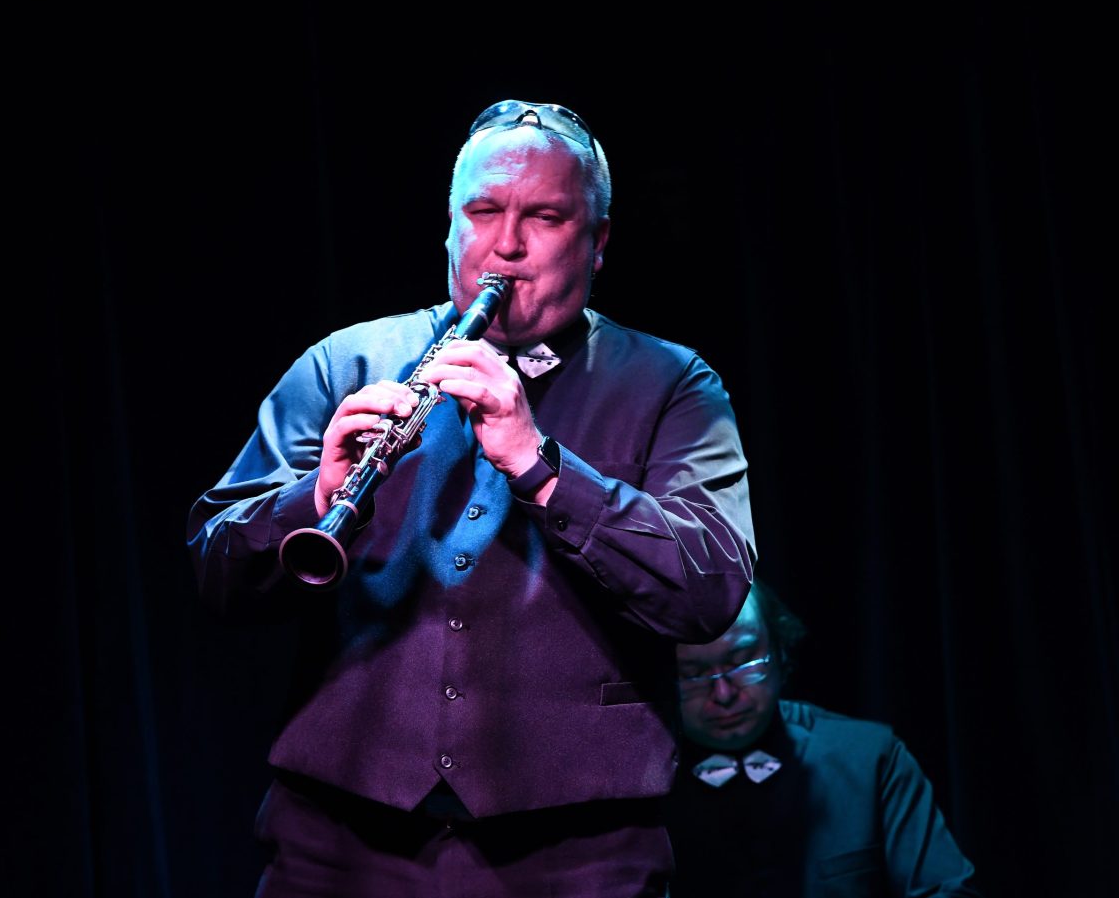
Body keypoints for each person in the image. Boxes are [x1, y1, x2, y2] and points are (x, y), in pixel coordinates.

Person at [186, 98, 757, 897]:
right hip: (338, 847)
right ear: (451, 230)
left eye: (545, 217)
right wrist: (314, 498)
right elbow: (214, 570)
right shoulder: (346, 363)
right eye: (483, 212)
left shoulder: (673, 384)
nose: (506, 245)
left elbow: (710, 589)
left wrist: (541, 466)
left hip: (578, 856)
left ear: (598, 241)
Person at [668, 578, 981, 897]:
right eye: (691, 675)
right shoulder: (647, 784)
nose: (723, 695)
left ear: (780, 651)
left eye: (743, 661)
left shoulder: (871, 758)